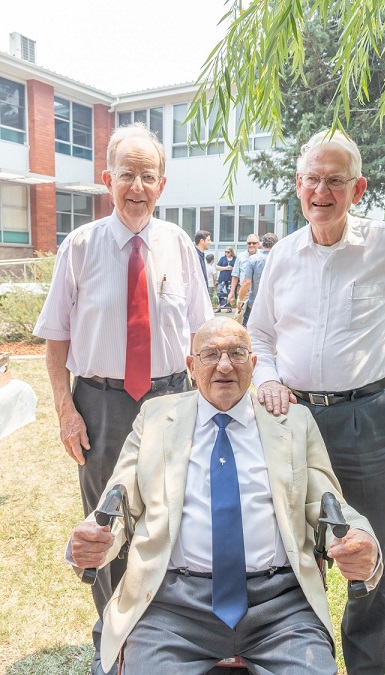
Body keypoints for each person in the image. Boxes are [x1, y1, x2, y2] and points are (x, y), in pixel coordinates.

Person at [69, 318, 381, 675]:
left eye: (237, 353)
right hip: (172, 604)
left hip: (280, 606)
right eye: (210, 354)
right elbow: (118, 499)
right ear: (190, 366)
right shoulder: (155, 418)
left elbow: (328, 501)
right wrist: (92, 541)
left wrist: (361, 539)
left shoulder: (293, 422)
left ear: (254, 364)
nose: (224, 365)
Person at [247, 129, 385, 675]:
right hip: (294, 421)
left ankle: (364, 669)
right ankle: (296, 658)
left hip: (369, 418)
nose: (321, 191)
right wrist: (266, 377)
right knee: (292, 549)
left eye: (335, 180)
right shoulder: (282, 256)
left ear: (356, 188)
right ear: (298, 186)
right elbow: (259, 334)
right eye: (312, 179)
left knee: (368, 556)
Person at [33, 123, 213, 675]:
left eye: (148, 176)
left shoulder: (179, 244)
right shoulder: (80, 246)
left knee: (169, 519)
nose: (137, 185)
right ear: (108, 180)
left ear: (162, 185)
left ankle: (163, 632)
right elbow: (57, 339)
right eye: (127, 174)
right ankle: (111, 635)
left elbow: (203, 334)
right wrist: (66, 410)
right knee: (106, 522)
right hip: (102, 405)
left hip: (172, 401)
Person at [237, 232, 278, 327]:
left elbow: (247, 282)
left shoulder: (253, 259)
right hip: (274, 304)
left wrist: (240, 300)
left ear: (262, 243)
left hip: (255, 303)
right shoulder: (280, 259)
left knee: (249, 333)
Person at [227, 234, 260, 308]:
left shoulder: (262, 256)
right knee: (239, 315)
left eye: (254, 243)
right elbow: (235, 275)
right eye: (249, 243)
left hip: (259, 292)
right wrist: (232, 292)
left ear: (258, 244)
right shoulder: (241, 256)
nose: (251, 245)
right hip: (244, 291)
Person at [215, 246, 236, 313]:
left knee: (230, 293)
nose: (227, 253)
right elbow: (217, 267)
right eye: (225, 252)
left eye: (228, 252)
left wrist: (232, 268)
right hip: (222, 278)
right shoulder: (223, 258)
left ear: (231, 252)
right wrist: (225, 268)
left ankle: (229, 307)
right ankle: (219, 307)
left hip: (231, 278)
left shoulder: (235, 259)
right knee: (220, 292)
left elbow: (238, 268)